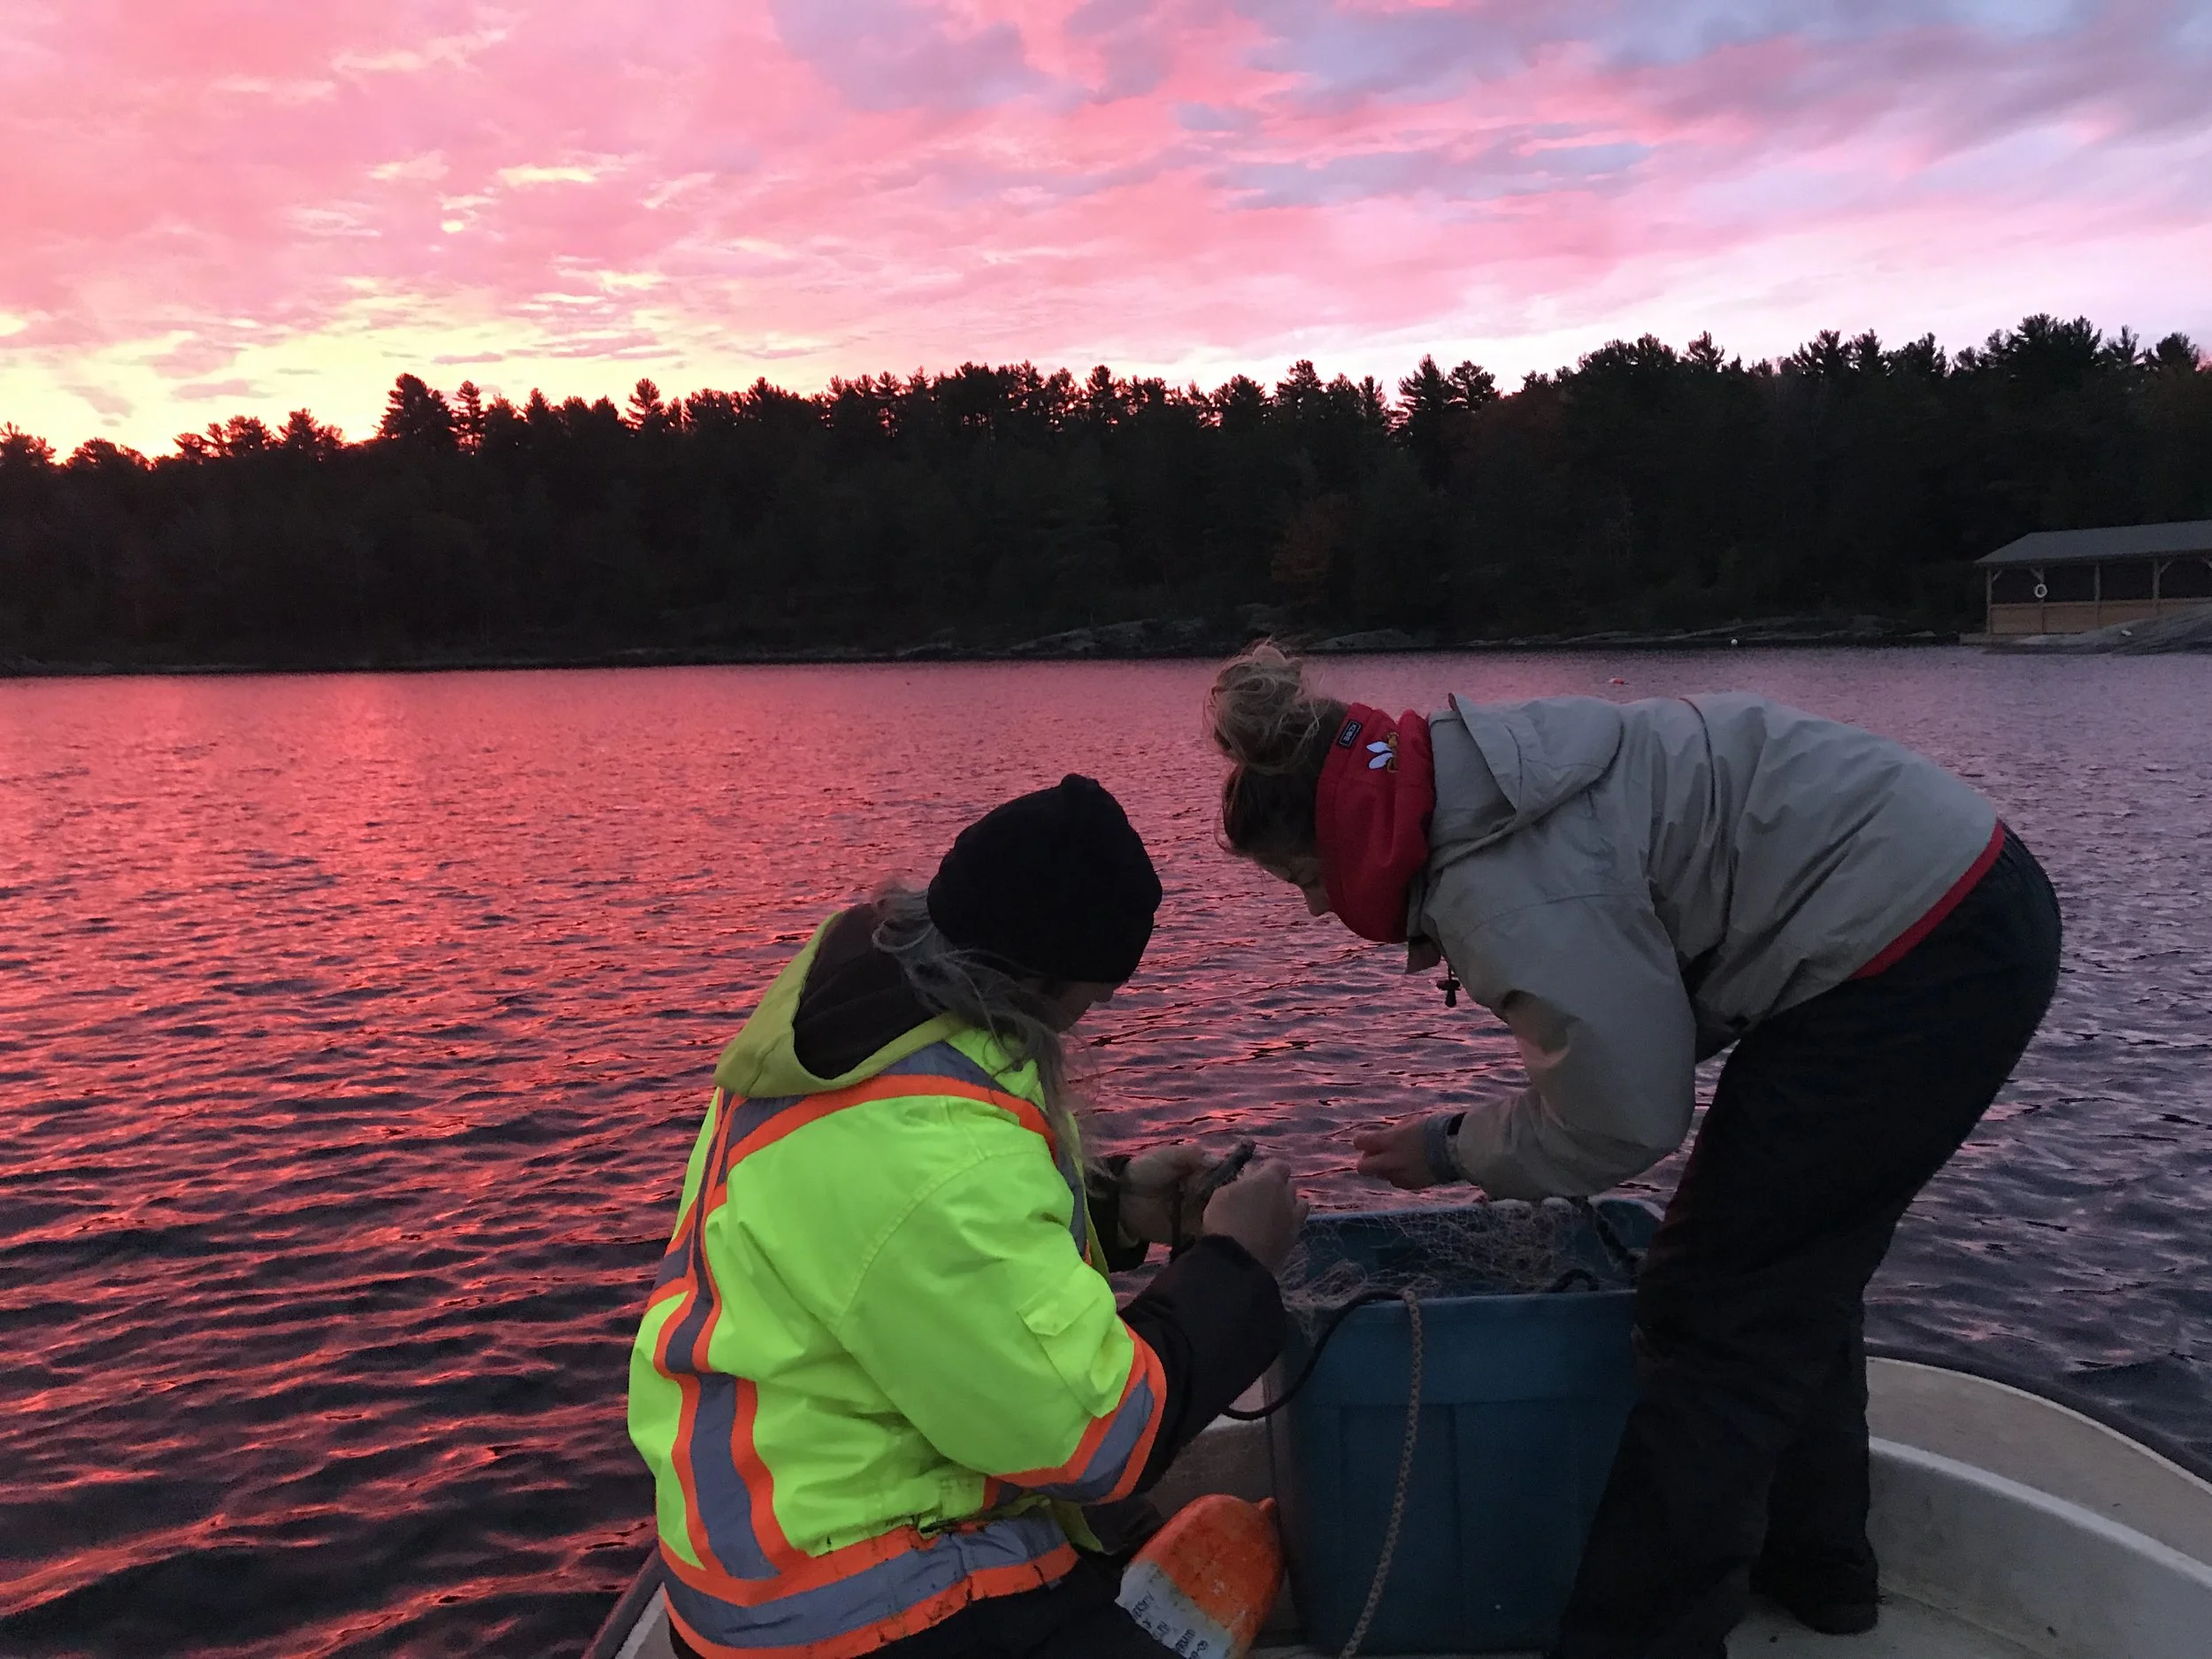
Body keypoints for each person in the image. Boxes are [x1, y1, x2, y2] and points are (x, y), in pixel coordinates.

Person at [1206, 645, 2062, 1659]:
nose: (1313, 905)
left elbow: (1623, 1118)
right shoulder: (1473, 777)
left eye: (1303, 877)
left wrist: (1450, 1151)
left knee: (1710, 1305)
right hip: (1928, 916)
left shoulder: (1500, 885)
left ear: (1336, 836)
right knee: (1784, 1264)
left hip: (1917, 947)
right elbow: (1629, 1018)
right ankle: (1819, 1574)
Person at [628, 773, 1306, 1659]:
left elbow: (901, 1257)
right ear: (1043, 978)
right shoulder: (931, 1148)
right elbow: (1101, 1438)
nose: (1087, 1020)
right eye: (1092, 996)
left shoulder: (866, 1025)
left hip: (776, 1559)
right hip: (853, 1607)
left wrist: (1116, 1206)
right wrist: (1235, 1267)